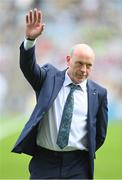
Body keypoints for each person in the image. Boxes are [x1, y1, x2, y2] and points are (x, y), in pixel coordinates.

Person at [12, 9, 108, 179]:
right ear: (68, 60)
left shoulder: (98, 93)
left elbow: (99, 134)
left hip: (78, 165)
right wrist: (30, 39)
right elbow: (28, 68)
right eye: (79, 63)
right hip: (45, 162)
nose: (84, 70)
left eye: (89, 65)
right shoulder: (49, 77)